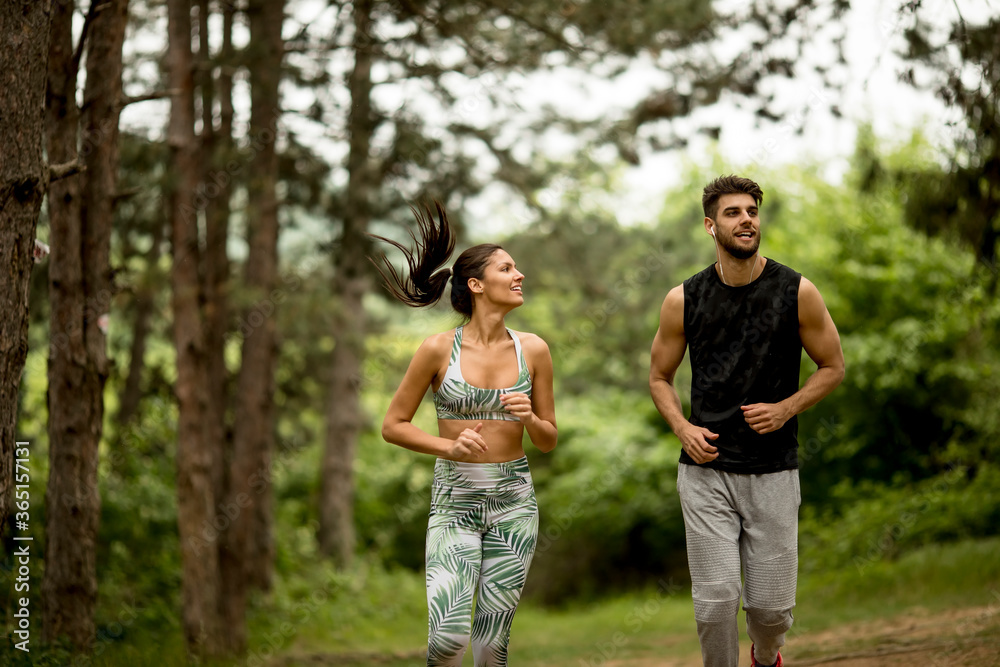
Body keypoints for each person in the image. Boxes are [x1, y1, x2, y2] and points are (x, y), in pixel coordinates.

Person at [648, 175, 845, 667]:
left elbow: (833, 366)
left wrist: (786, 408)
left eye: (752, 211)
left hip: (773, 469)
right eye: (733, 212)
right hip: (705, 470)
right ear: (710, 225)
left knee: (771, 610)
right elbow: (659, 377)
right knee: (715, 603)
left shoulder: (797, 290)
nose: (746, 220)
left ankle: (766, 654)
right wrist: (682, 428)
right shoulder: (684, 298)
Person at [371, 202, 557, 667]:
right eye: (506, 268)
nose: (519, 275)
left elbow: (548, 438)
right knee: (448, 639)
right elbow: (393, 425)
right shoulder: (437, 350)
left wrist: (531, 418)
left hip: (514, 502)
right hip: (454, 501)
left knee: (491, 646)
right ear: (476, 285)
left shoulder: (534, 350)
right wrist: (448, 446)